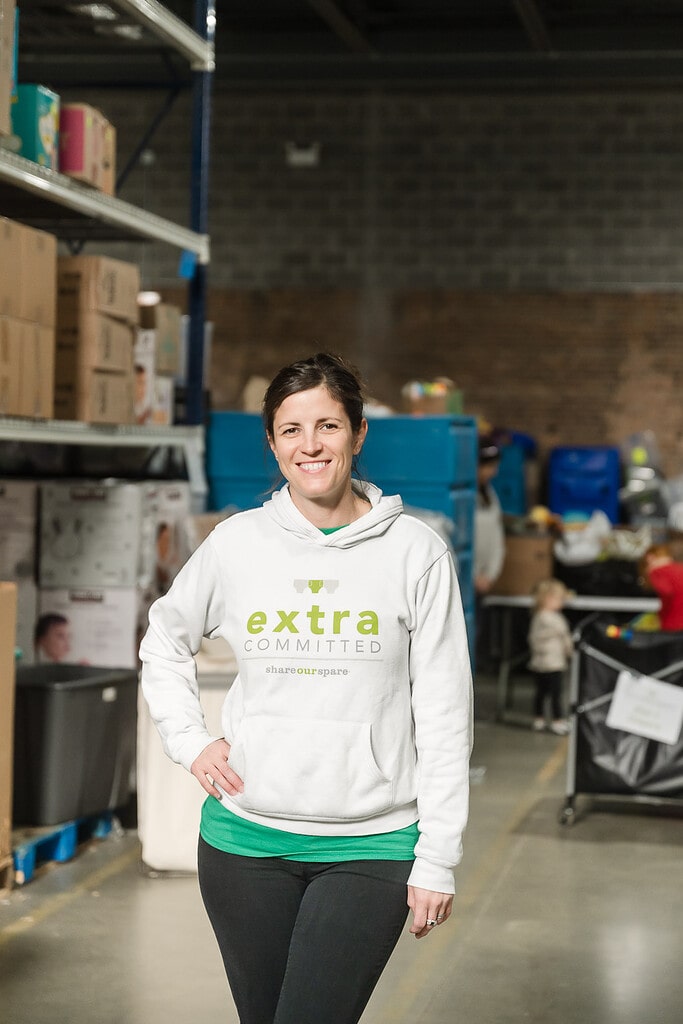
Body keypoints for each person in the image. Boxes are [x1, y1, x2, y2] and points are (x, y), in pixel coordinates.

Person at [139, 352, 473, 1024]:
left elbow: (444, 714)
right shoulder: (237, 545)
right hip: (244, 845)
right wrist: (189, 739)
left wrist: (437, 857)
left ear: (357, 433)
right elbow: (163, 639)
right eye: (291, 430)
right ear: (271, 442)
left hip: (372, 843)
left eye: (326, 426)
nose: (310, 445)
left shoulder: (414, 552)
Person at [474, 434, 505, 667]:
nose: (492, 473)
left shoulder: (490, 496)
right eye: (488, 467)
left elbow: (497, 538)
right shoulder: (466, 497)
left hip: (482, 583)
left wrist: (490, 575)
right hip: (467, 580)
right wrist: (471, 576)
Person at [528, 578, 573, 734]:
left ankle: (543, 718)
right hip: (548, 664)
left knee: (549, 693)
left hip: (553, 662)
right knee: (550, 693)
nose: (562, 602)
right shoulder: (546, 619)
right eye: (559, 599)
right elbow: (537, 639)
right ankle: (554, 720)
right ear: (547, 599)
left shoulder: (554, 617)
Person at [640, 543, 683, 630]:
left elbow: (666, 591)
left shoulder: (656, 572)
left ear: (650, 558)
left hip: (673, 622)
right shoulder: (680, 568)